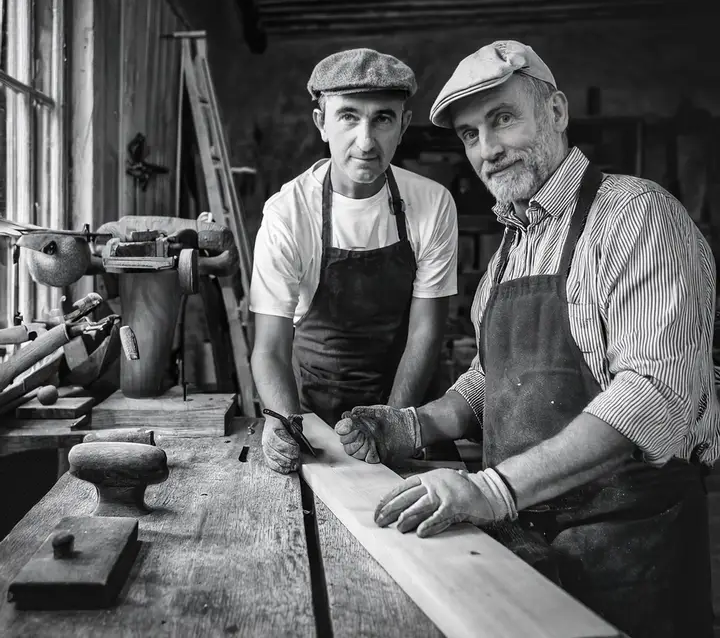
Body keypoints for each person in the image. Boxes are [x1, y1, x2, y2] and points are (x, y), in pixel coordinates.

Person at [334, 40, 719, 638]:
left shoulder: (636, 217)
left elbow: (651, 399)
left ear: (557, 113)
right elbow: (490, 384)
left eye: (503, 119)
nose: (486, 150)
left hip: (628, 558)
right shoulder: (509, 250)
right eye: (469, 134)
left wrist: (490, 490)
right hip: (525, 556)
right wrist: (408, 424)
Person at [250, 48, 458, 476]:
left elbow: (425, 331)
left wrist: (395, 426)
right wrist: (284, 423)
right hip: (314, 416)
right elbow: (269, 348)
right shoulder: (288, 213)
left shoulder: (432, 204)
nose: (365, 141)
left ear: (403, 125)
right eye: (348, 117)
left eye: (382, 118)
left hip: (408, 408)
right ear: (320, 123)